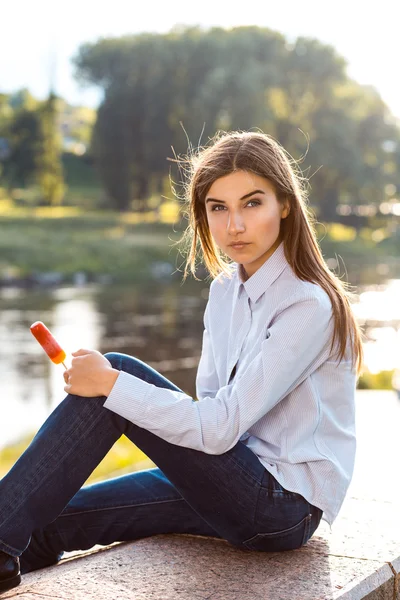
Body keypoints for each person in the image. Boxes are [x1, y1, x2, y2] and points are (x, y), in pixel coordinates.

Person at [0, 130, 364, 594]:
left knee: (117, 374)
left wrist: (110, 385)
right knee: (46, 522)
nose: (235, 225)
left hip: (281, 507)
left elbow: (218, 427)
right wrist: (113, 388)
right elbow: (208, 409)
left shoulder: (308, 306)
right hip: (231, 476)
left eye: (252, 204)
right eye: (218, 207)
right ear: (203, 213)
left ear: (285, 205)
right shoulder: (225, 291)